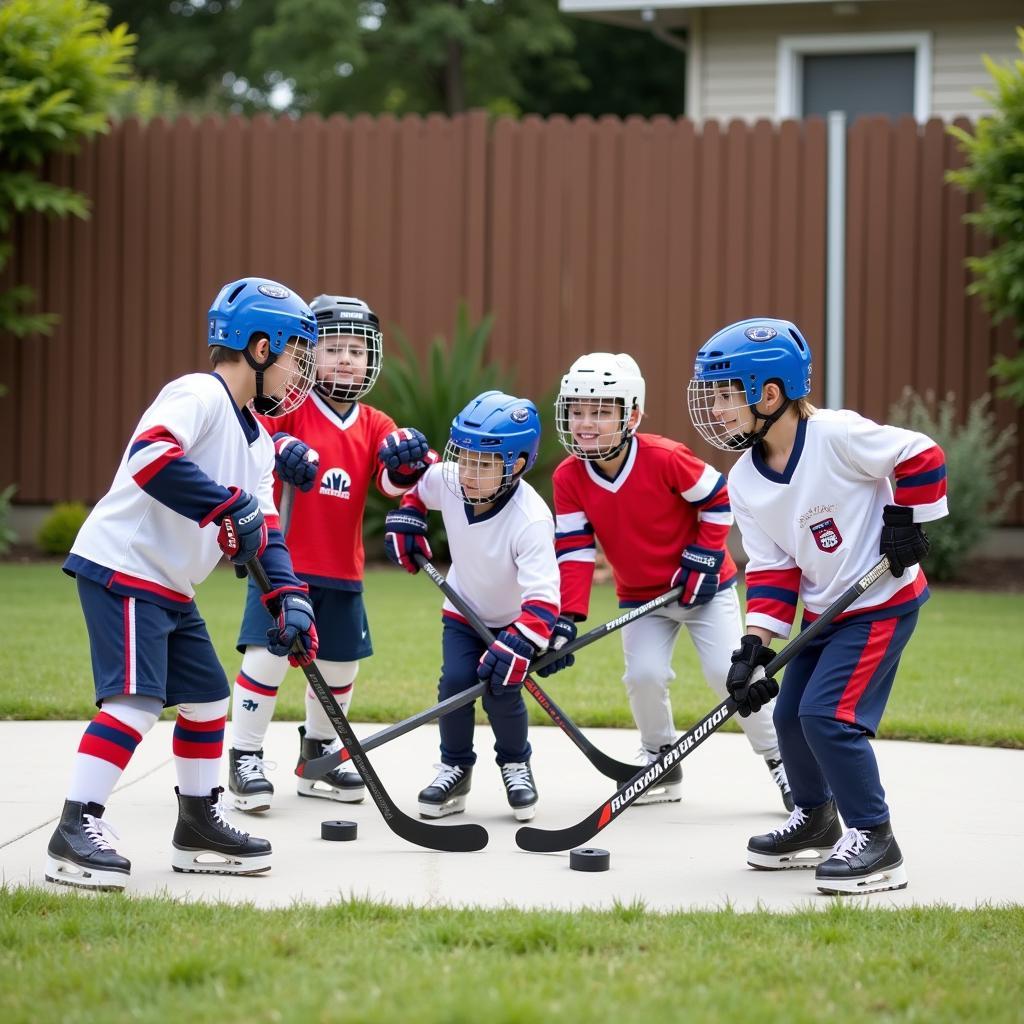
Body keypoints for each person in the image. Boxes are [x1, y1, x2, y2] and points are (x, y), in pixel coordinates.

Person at [44, 277, 320, 891]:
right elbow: (149, 456)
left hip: (171, 583)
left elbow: (266, 528)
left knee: (207, 696)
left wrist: (290, 598)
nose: (300, 371)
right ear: (259, 346)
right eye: (296, 355)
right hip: (127, 567)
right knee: (136, 701)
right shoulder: (199, 393)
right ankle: (74, 826)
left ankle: (197, 825)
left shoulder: (259, 441)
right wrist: (225, 507)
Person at [688, 317, 947, 895]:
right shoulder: (745, 480)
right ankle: (816, 820)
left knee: (828, 718)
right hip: (825, 611)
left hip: (880, 601)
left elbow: (922, 455)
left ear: (770, 393)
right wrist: (754, 647)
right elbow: (777, 570)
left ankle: (877, 840)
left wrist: (906, 519)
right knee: (787, 718)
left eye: (726, 396)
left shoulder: (836, 435)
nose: (718, 410)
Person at [540, 352, 792, 810]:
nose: (586, 423)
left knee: (728, 674)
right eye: (577, 410)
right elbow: (575, 551)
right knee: (644, 675)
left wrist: (704, 556)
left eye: (600, 412)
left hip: (706, 589)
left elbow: (719, 497)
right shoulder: (568, 477)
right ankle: (661, 760)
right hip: (642, 597)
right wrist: (565, 618)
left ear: (631, 414)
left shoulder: (664, 457)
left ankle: (782, 759)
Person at [227, 295, 434, 812]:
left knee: (340, 669)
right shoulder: (286, 410)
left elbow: (391, 478)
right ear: (308, 355)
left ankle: (319, 754)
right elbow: (254, 449)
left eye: (356, 351)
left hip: (343, 570)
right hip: (281, 564)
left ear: (372, 359)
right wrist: (280, 454)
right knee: (267, 658)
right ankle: (245, 756)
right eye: (332, 348)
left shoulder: (374, 423)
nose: (345, 359)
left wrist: (409, 460)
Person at [384, 391, 559, 822]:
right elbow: (409, 488)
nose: (469, 471)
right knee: (456, 686)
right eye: (464, 457)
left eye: (484, 463)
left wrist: (519, 643)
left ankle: (516, 764)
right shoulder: (452, 479)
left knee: (502, 692)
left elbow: (544, 599)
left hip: (515, 624)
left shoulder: (531, 519)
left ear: (516, 465)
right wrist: (410, 516)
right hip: (463, 611)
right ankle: (455, 769)